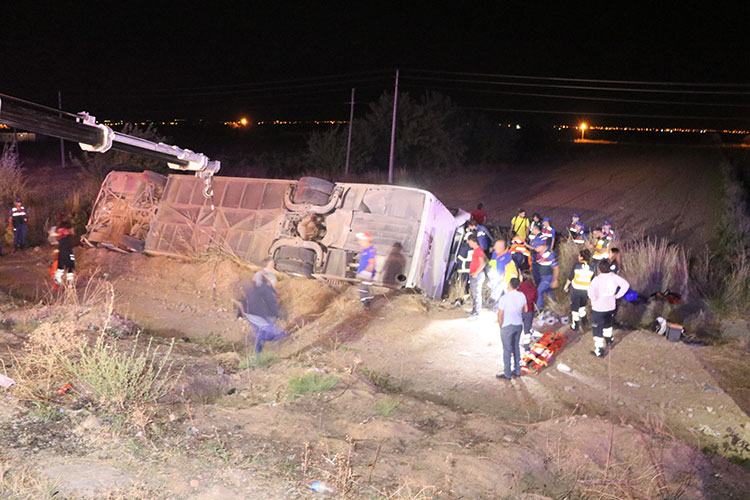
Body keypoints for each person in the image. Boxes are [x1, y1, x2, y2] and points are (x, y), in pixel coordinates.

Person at [587, 259, 630, 357]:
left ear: (599, 269)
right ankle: (609, 339)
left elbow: (590, 291)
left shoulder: (597, 279)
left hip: (598, 308)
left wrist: (593, 299)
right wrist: (617, 295)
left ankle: (599, 350)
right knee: (608, 324)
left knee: (597, 329)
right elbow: (625, 285)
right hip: (611, 306)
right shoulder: (614, 277)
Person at [240, 271, 287, 354]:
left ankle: (257, 354)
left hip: (250, 314)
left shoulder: (255, 288)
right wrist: (279, 315)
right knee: (277, 333)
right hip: (257, 314)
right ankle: (285, 347)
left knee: (260, 333)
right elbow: (271, 304)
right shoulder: (265, 289)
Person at [495, 277, 528, 380]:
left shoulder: (504, 298)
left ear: (509, 285)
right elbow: (525, 309)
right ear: (518, 286)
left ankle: (507, 373)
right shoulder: (522, 295)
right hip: (518, 325)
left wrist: (501, 326)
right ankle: (517, 370)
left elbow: (500, 315)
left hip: (507, 325)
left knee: (507, 350)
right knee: (516, 348)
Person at [563, 249, 594, 331]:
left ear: (581, 257)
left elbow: (570, 277)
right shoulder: (592, 268)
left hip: (576, 289)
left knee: (574, 307)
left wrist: (566, 286)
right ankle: (584, 322)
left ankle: (575, 325)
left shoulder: (576, 266)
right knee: (582, 306)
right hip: (585, 290)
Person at [487, 239, 512, 311]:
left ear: (501, 247)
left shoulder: (507, 256)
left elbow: (508, 269)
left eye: (496, 246)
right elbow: (492, 264)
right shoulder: (495, 254)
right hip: (494, 277)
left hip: (502, 278)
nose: (494, 247)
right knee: (494, 292)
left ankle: (499, 309)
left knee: (501, 293)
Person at [534, 243, 559, 311]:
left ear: (542, 246)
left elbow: (556, 268)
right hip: (544, 277)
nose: (535, 248)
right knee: (549, 292)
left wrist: (555, 280)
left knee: (538, 291)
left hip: (548, 277)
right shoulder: (542, 254)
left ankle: (539, 309)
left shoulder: (550, 255)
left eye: (537, 246)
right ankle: (555, 307)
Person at [517, 271, 538, 353]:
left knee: (518, 329)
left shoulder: (519, 287)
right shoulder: (533, 287)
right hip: (529, 310)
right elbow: (535, 299)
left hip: (520, 310)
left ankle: (514, 346)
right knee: (527, 330)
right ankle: (526, 347)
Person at [466, 234, 486, 320]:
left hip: (477, 275)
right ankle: (474, 310)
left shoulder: (479, 250)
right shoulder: (475, 250)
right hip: (474, 274)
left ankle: (477, 313)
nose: (468, 243)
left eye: (469, 241)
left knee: (477, 294)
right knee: (474, 293)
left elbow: (483, 263)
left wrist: (476, 273)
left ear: (472, 241)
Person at [356, 232, 377, 310]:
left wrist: (366, 273)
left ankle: (367, 305)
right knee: (363, 288)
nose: (359, 242)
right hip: (364, 272)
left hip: (367, 273)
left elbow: (372, 263)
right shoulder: (364, 250)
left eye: (361, 240)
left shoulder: (370, 250)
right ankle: (366, 303)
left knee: (363, 289)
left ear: (366, 240)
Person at [52, 216, 75, 287]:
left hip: (69, 250)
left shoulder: (67, 232)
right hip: (63, 251)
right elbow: (64, 232)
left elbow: (72, 233)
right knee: (62, 265)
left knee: (71, 266)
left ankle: (70, 283)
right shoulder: (60, 231)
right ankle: (57, 278)